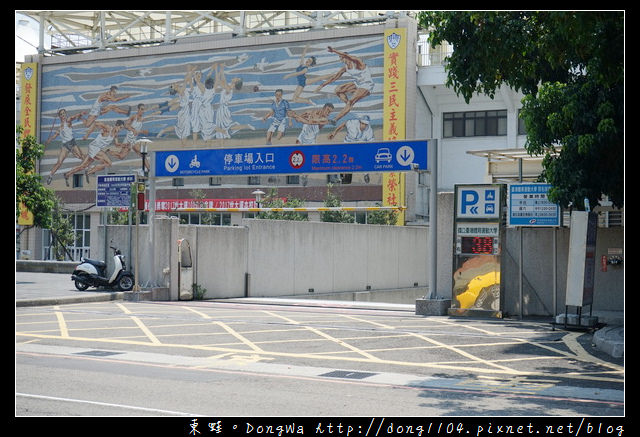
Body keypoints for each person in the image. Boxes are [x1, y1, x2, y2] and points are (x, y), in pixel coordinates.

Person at [314, 46, 374, 123]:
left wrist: (334, 51)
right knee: (338, 90)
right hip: (357, 84)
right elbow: (334, 78)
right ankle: (348, 105)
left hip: (367, 85)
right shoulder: (345, 68)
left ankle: (335, 119)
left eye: (342, 57)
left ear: (346, 57)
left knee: (350, 102)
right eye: (341, 58)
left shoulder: (358, 62)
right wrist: (321, 85)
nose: (342, 60)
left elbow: (346, 55)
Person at [63, 120, 125, 185]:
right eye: (120, 127)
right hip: (94, 147)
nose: (120, 130)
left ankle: (67, 174)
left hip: (95, 149)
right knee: (109, 163)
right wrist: (87, 135)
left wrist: (124, 145)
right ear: (116, 125)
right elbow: (95, 123)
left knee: (83, 166)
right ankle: (90, 171)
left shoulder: (115, 135)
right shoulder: (108, 128)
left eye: (122, 128)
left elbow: (117, 144)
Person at [44, 108, 87, 185]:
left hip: (72, 143)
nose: (63, 115)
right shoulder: (60, 127)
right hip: (65, 146)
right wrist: (48, 141)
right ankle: (50, 176)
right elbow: (54, 136)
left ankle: (88, 168)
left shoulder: (68, 121)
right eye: (61, 114)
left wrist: (80, 114)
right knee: (59, 162)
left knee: (81, 156)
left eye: (64, 113)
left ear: (65, 114)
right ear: (59, 116)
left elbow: (74, 117)